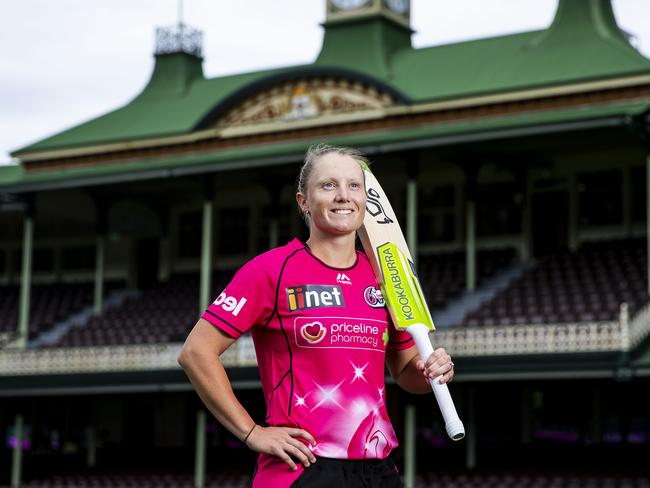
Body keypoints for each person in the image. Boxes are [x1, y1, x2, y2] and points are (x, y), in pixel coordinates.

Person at [178, 144, 455, 487]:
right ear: (303, 201)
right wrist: (251, 432)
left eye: (354, 186)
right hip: (302, 468)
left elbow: (405, 372)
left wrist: (430, 371)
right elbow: (195, 353)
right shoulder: (271, 269)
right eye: (328, 185)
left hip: (377, 469)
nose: (343, 196)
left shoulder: (387, 275)